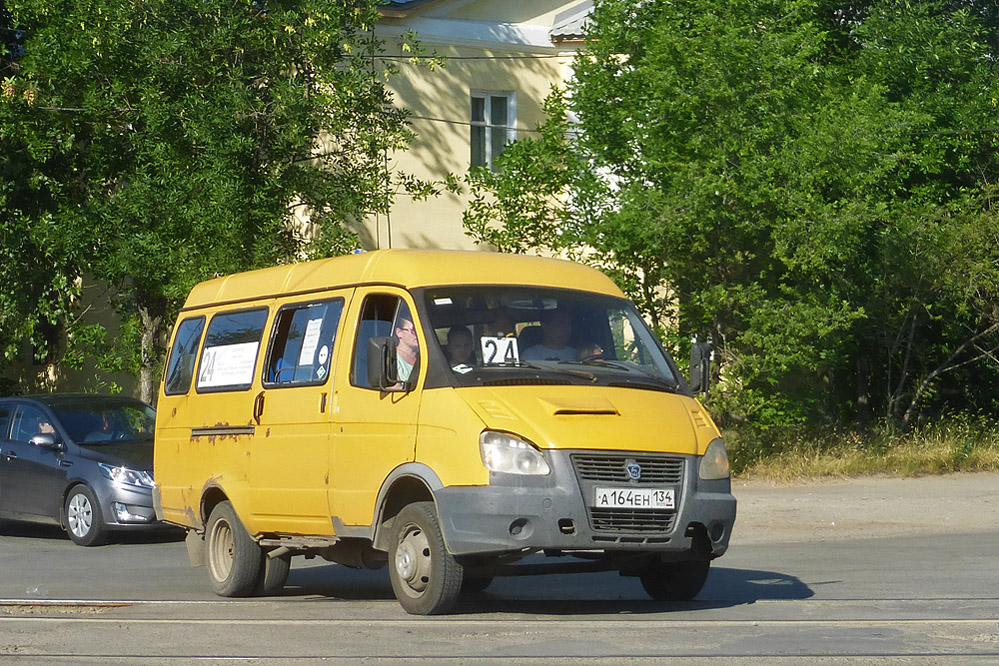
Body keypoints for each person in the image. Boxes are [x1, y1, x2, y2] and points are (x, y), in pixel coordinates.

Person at [394, 315, 420, 383]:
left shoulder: (426, 357)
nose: (418, 334)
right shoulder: (392, 359)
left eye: (420, 330)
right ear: (399, 333)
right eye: (413, 330)